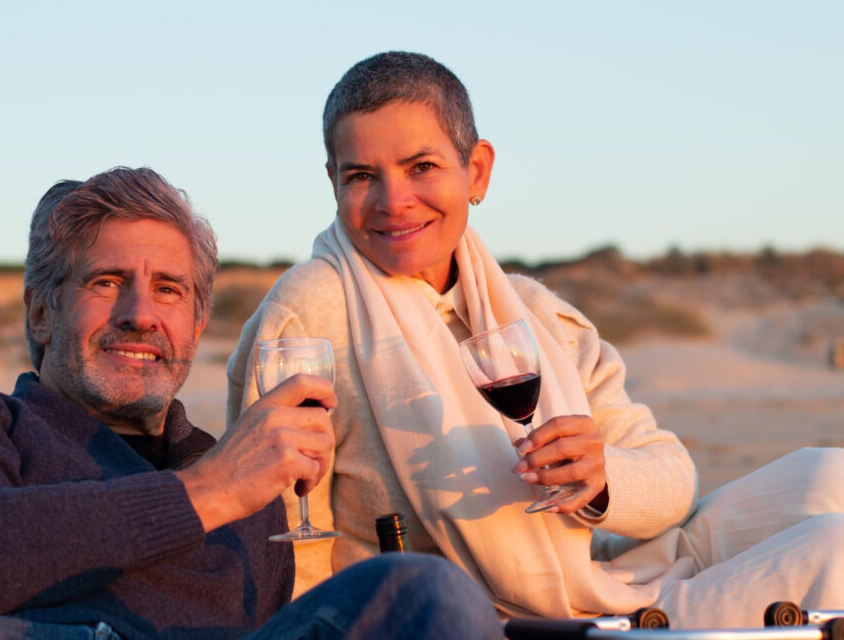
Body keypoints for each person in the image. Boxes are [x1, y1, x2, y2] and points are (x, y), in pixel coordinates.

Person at [227, 51, 844, 628]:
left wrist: (601, 483)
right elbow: (286, 542)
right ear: (333, 181)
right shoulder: (312, 310)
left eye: (422, 167)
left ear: (477, 171)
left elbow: (671, 478)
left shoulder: (534, 311)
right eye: (363, 175)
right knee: (834, 547)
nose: (394, 201)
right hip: (496, 620)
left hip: (612, 567)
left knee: (830, 474)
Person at [0, 166, 504, 639]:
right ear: (42, 312)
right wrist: (208, 491)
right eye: (106, 282)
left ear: (196, 320)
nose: (140, 314)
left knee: (424, 589)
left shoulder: (238, 480)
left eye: (170, 291)